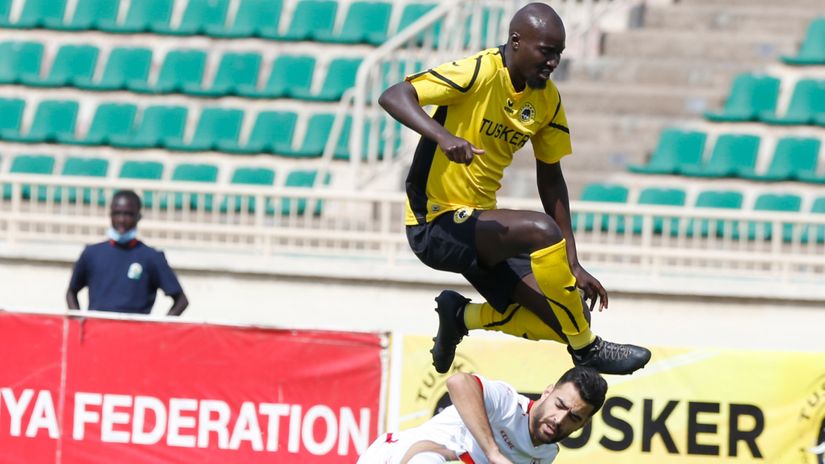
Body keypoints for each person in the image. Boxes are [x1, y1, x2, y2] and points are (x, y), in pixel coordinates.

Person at [378, 2, 650, 375]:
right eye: (547, 52)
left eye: (559, 53)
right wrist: (443, 137)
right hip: (435, 223)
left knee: (570, 317)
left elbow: (551, 178)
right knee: (542, 233)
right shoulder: (479, 71)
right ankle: (589, 351)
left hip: (480, 226)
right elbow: (394, 95)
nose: (553, 62)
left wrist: (572, 263)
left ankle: (461, 317)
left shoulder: (547, 100)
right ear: (517, 41)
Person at [358, 366, 607, 463]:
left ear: (582, 425)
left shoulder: (546, 454)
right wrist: (493, 453)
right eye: (560, 405)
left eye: (574, 418)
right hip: (395, 456)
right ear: (548, 392)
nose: (559, 419)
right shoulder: (507, 403)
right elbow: (458, 382)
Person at [66, 190, 189, 316]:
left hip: (135, 328)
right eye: (117, 213)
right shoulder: (91, 253)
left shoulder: (152, 257)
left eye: (128, 214)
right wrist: (79, 321)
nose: (121, 220)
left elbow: (181, 300)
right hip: (97, 327)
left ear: (138, 217)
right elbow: (71, 292)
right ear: (110, 215)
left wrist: (160, 326)